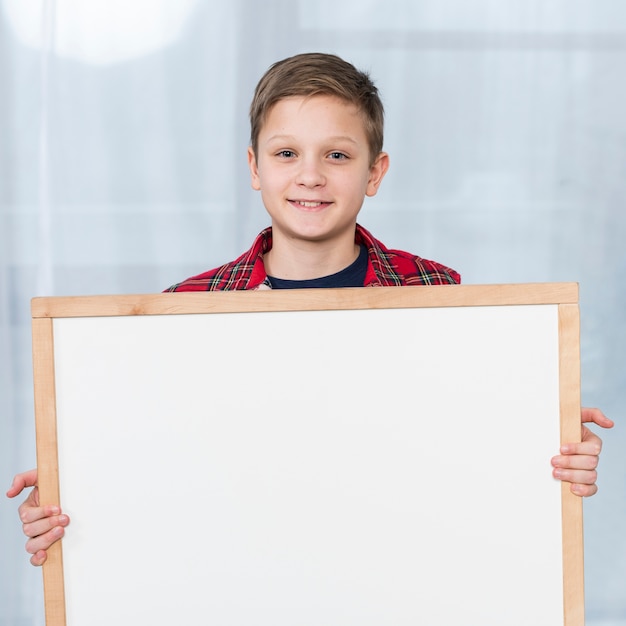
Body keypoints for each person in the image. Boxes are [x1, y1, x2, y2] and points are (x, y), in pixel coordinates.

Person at [6, 52, 614, 566]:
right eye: (287, 153)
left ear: (376, 172)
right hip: (244, 580)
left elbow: (459, 456)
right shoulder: (184, 315)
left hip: (393, 575)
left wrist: (541, 436)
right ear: (254, 168)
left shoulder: (436, 293)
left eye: (338, 156)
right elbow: (157, 462)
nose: (312, 176)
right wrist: (77, 486)